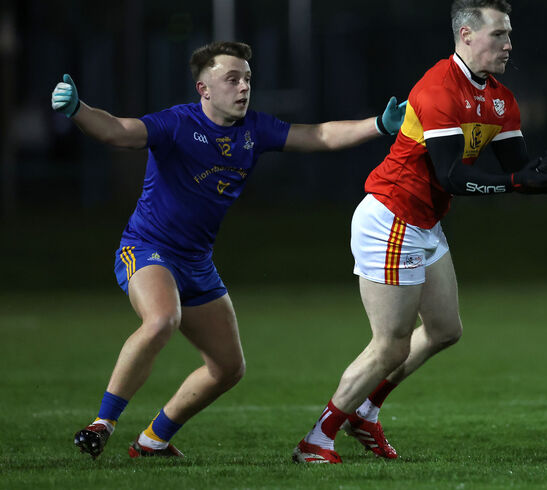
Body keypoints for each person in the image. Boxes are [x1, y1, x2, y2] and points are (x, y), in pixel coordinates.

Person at [51, 41, 407, 460]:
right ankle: (102, 424)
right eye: (232, 79)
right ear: (204, 88)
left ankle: (153, 440)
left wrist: (378, 126)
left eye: (248, 79)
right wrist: (79, 110)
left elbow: (320, 135)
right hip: (148, 249)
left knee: (228, 368)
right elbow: (118, 130)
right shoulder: (177, 124)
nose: (243, 88)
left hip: (197, 262)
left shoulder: (253, 130)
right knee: (162, 318)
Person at [292, 0, 547, 464]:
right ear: (466, 34)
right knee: (390, 346)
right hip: (392, 217)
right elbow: (452, 176)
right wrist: (515, 183)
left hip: (424, 221)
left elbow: (520, 171)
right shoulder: (438, 89)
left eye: (510, 35)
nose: (508, 45)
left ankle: (365, 411)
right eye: (498, 34)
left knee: (444, 329)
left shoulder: (500, 99)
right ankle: (317, 439)